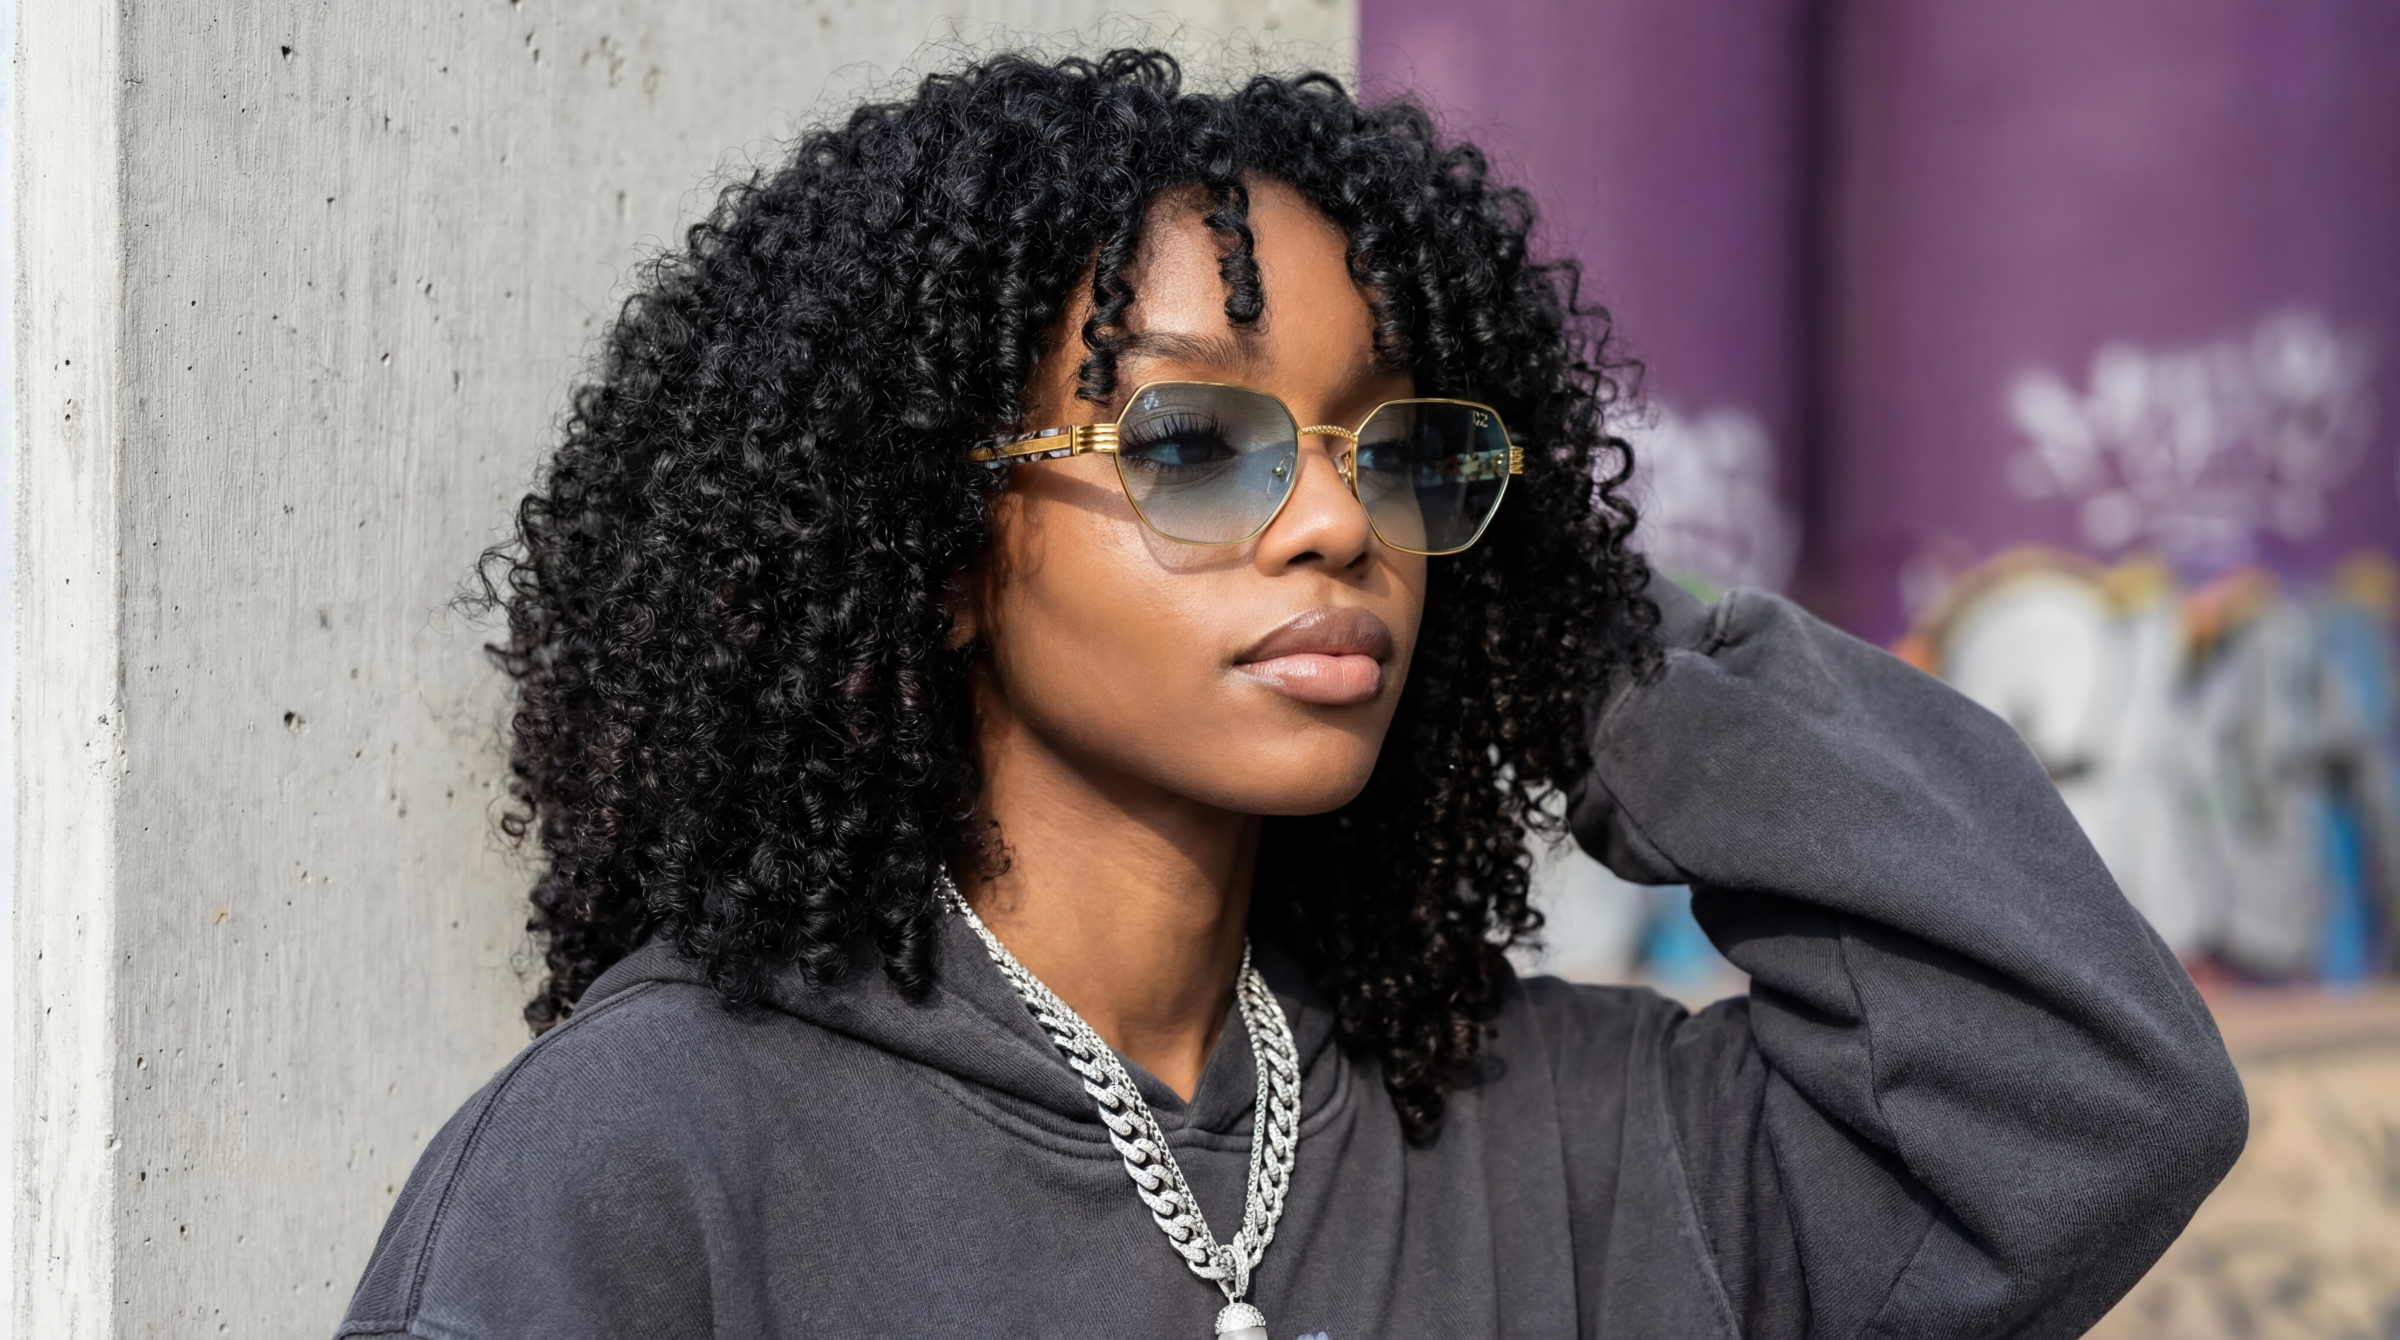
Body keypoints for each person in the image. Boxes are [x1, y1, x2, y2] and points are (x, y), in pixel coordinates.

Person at [336, 51, 2245, 1340]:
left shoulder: (1555, 1140)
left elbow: (2090, 1106)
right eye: (1195, 441)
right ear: (931, 540)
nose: (1339, 520)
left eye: (1391, 447)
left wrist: (1561, 629)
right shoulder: (653, 1164)